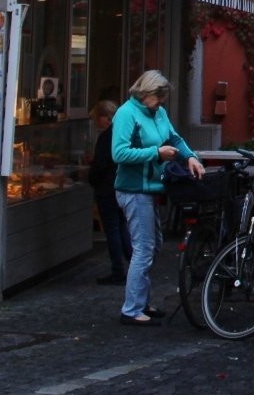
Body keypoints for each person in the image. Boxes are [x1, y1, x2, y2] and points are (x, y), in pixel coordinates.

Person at [113, 70, 204, 326]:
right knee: (144, 247)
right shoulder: (126, 114)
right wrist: (156, 152)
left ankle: (141, 302)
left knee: (152, 245)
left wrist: (191, 157)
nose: (162, 101)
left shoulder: (158, 113)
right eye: (159, 96)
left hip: (151, 189)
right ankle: (131, 310)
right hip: (134, 189)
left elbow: (175, 138)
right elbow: (119, 153)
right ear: (145, 92)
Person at [87, 100, 130, 286]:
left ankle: (118, 270)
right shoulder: (124, 133)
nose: (97, 123)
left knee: (112, 230)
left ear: (106, 118)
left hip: (107, 188)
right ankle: (135, 264)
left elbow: (99, 165)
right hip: (122, 186)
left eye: (98, 119)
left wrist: (91, 179)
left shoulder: (106, 137)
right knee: (122, 227)